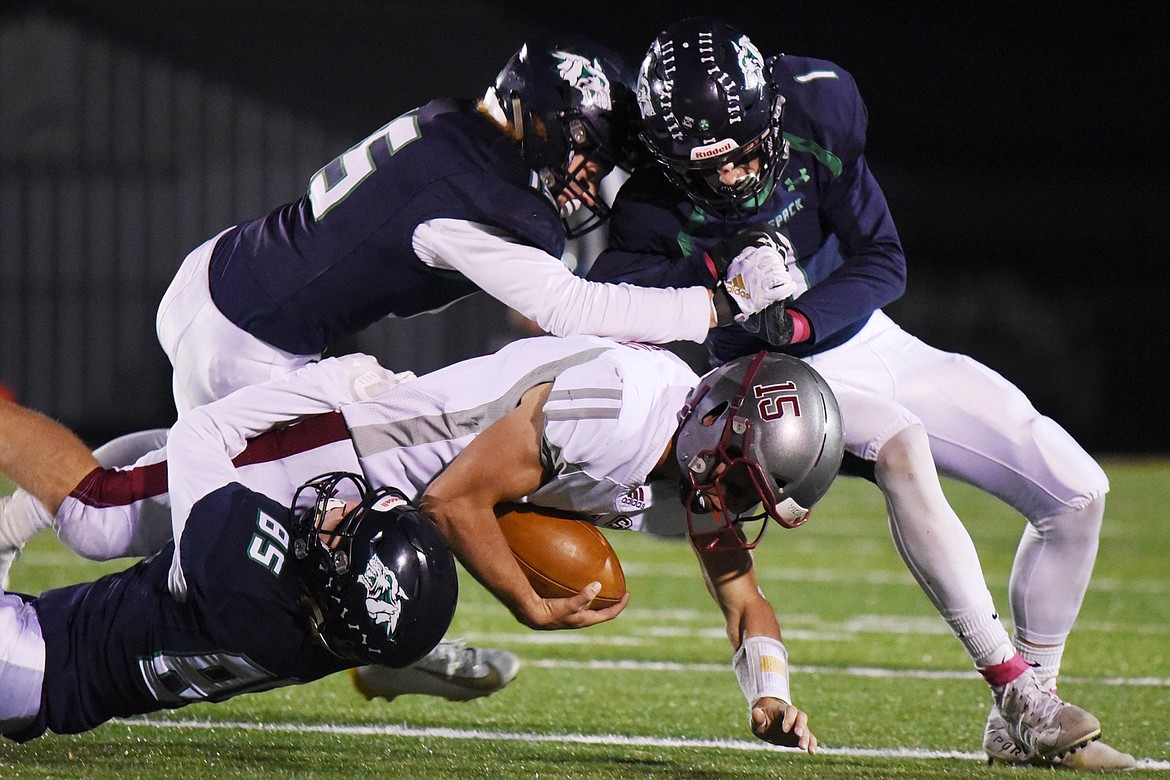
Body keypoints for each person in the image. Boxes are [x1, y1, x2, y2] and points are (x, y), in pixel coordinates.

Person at [0, 31, 800, 702]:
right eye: (589, 151)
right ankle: (384, 655)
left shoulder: (458, 129)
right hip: (252, 339)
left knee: (207, 490)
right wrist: (720, 303)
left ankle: (383, 654)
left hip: (236, 281)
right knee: (189, 543)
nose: (591, 176)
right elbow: (568, 310)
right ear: (546, 124)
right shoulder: (476, 194)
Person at [584, 17, 1133, 770]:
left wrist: (799, 314)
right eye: (707, 168)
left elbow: (883, 260)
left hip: (863, 336)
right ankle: (1017, 691)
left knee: (1077, 492)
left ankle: (1022, 719)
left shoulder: (817, 107)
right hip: (777, 380)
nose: (734, 179)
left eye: (744, 154)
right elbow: (608, 297)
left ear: (770, 115)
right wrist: (716, 285)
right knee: (903, 444)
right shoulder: (649, 210)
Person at [1, 334, 845, 752]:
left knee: (300, 613)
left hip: (388, 506)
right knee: (99, 518)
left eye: (747, 494)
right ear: (718, 421)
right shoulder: (623, 409)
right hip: (356, 453)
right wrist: (528, 602)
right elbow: (454, 500)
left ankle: (378, 659)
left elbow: (744, 599)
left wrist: (768, 695)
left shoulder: (685, 446)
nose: (730, 503)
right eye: (737, 480)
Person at [0, 402, 460, 743]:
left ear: (341, 578)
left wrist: (319, 387)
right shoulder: (329, 638)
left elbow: (191, 435)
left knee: (103, 499)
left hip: (26, 657)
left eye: (347, 526)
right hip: (41, 681)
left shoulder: (241, 567)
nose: (339, 505)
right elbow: (384, 626)